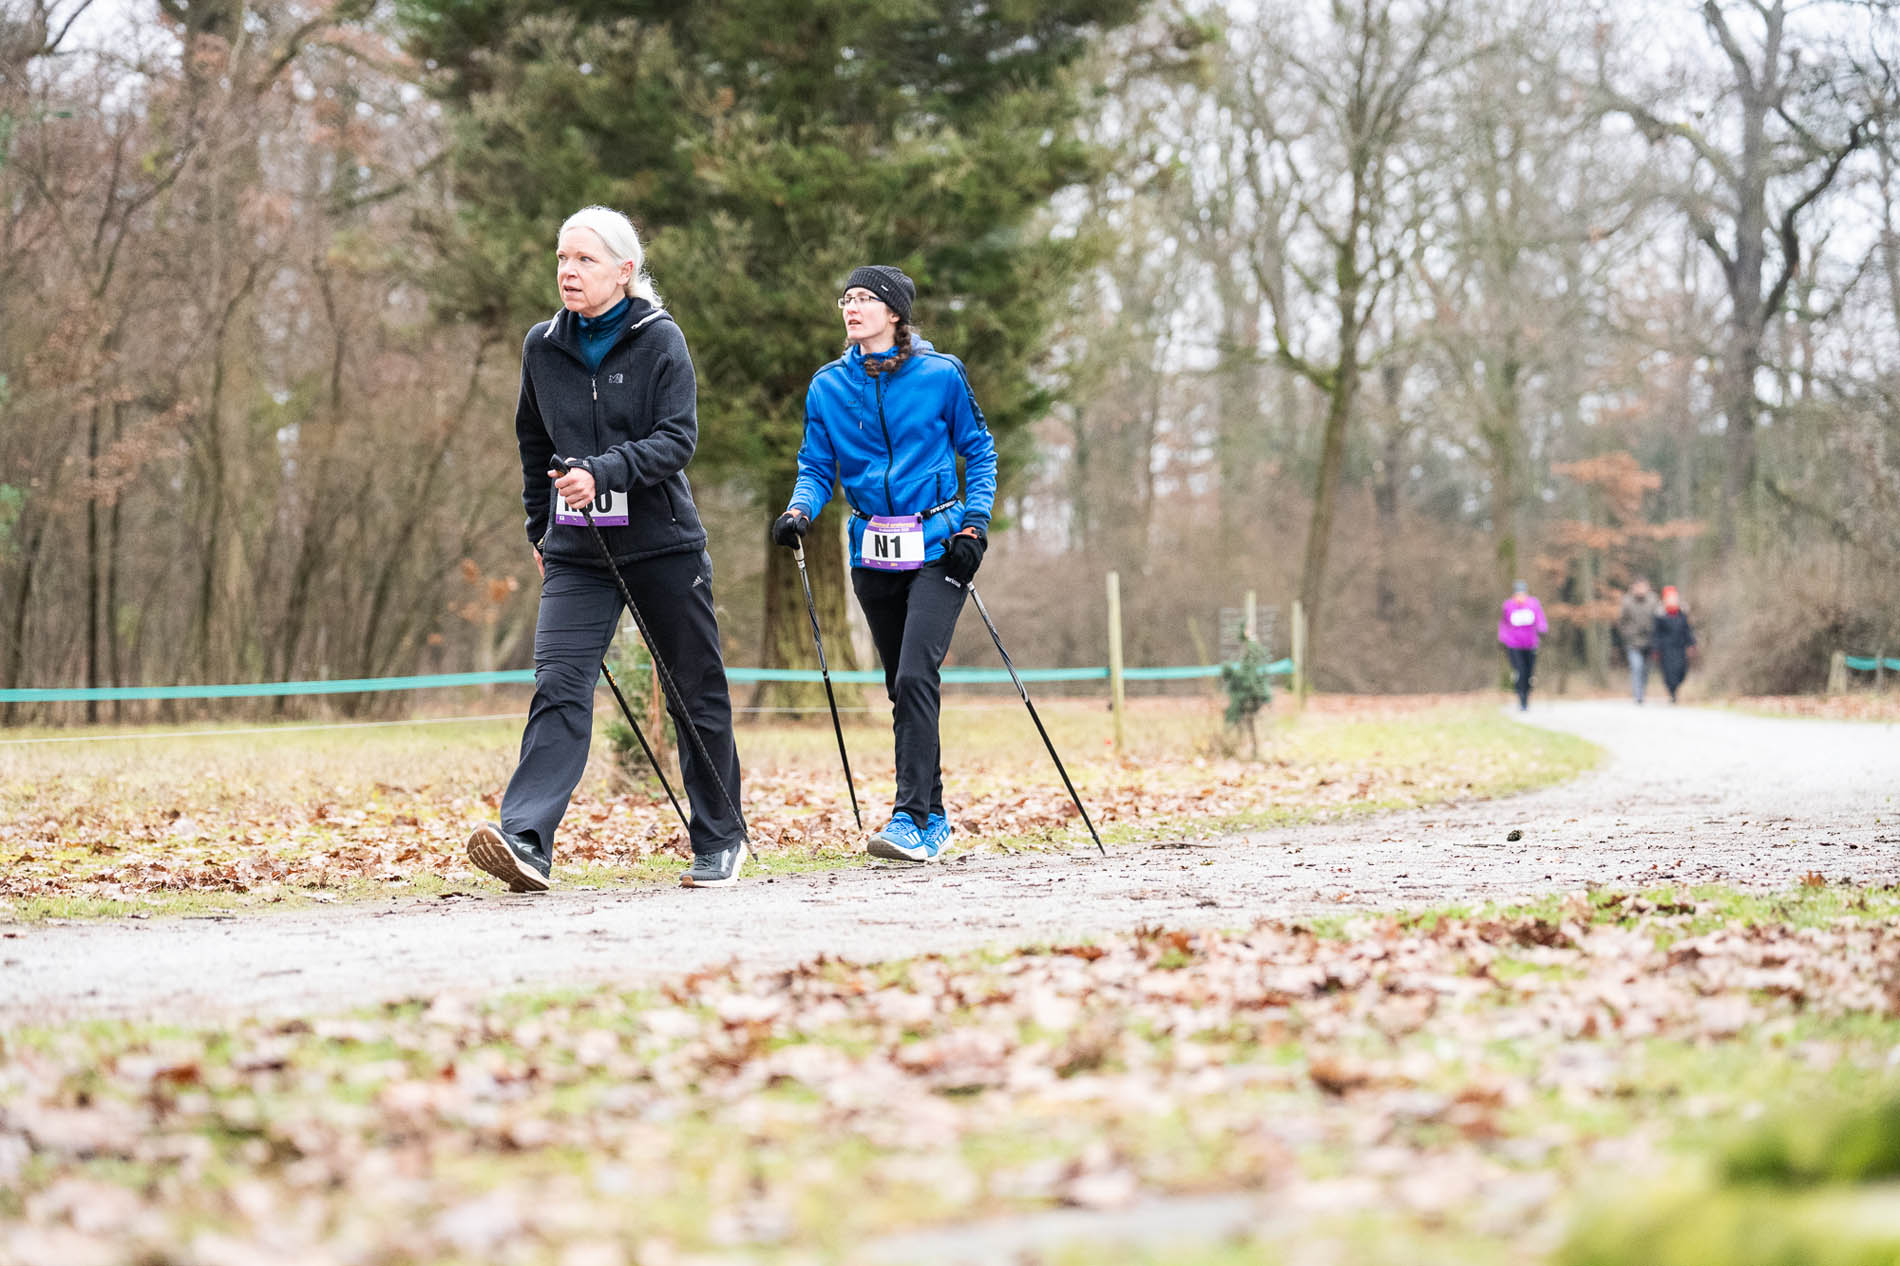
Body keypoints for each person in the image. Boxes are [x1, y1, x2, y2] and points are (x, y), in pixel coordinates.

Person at [467, 205, 747, 893]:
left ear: (625, 270)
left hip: (662, 545)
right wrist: (541, 527)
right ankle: (526, 841)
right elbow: (533, 443)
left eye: (585, 260)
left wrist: (605, 472)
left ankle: (721, 838)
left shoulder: (660, 339)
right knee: (560, 685)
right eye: (562, 258)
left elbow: (677, 439)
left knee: (693, 692)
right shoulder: (542, 346)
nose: (569, 271)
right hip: (577, 550)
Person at [771, 265, 998, 863]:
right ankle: (935, 817)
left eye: (865, 298)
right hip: (872, 549)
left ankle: (908, 817)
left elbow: (979, 450)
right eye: (846, 298)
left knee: (917, 674)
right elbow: (816, 465)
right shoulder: (827, 386)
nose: (851, 307)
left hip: (941, 544)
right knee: (902, 685)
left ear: (894, 312)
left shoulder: (941, 374)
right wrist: (799, 510)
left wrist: (975, 525)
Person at [1497, 580, 1547, 711]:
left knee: (1529, 673)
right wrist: (1502, 638)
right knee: (1520, 671)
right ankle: (1521, 699)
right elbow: (1503, 624)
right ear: (1514, 595)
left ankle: (1527, 694)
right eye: (1518, 594)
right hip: (1514, 644)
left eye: (1522, 594)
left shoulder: (1533, 604)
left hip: (1530, 643)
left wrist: (1542, 628)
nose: (1520, 597)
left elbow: (1540, 619)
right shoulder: (1508, 606)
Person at [1614, 578, 1660, 704]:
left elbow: (1659, 618)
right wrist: (1627, 633)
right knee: (1636, 667)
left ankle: (1642, 691)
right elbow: (1621, 621)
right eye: (1638, 587)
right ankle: (1638, 695)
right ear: (1633, 588)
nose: (1641, 590)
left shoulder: (1653, 600)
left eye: (1643, 587)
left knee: (1646, 670)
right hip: (1633, 642)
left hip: (1650, 641)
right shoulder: (1627, 601)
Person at [1652, 585, 1697, 704]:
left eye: (1674, 597)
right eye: (1669, 598)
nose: (1672, 600)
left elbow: (1687, 630)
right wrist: (1656, 649)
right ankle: (1672, 693)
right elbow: (1656, 633)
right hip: (1666, 648)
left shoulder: (1682, 613)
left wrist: (1691, 644)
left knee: (1682, 671)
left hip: (1680, 646)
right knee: (1668, 673)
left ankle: (1676, 688)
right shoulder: (1660, 615)